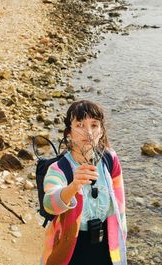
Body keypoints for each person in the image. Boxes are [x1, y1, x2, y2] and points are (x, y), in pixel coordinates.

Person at [40, 100, 127, 265]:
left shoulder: (110, 159)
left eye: (94, 125)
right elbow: (49, 204)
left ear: (101, 131)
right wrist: (73, 186)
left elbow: (120, 205)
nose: (88, 132)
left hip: (106, 241)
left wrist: (121, 236)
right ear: (69, 133)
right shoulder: (59, 168)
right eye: (80, 125)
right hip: (72, 244)